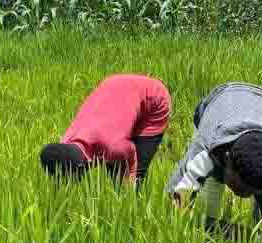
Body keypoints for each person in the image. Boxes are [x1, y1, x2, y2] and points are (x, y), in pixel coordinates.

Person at [166, 82, 262, 240]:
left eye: (252, 191)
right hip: (223, 98)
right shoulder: (206, 148)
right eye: (239, 188)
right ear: (227, 158)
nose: (244, 196)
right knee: (212, 188)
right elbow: (176, 205)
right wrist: (227, 232)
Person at [40, 74, 171, 185]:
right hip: (115, 86)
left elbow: (130, 155)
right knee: (113, 165)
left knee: (131, 176)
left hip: (153, 98)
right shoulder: (67, 140)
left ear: (80, 168)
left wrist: (130, 187)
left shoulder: (114, 147)